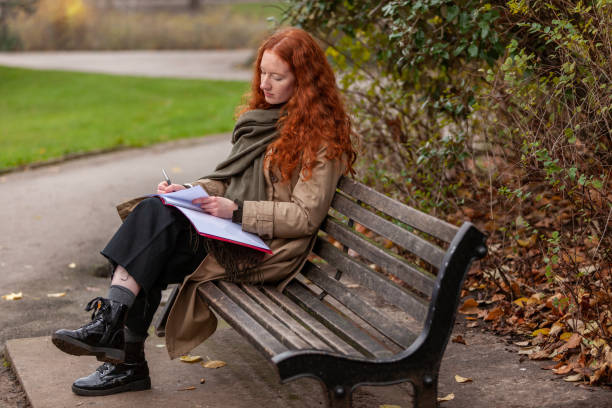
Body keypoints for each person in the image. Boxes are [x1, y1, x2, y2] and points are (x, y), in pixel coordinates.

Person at [51, 27, 356, 396]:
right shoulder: (264, 121)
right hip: (237, 234)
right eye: (262, 73)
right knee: (154, 216)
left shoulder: (322, 140)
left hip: (269, 249)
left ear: (305, 81)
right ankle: (115, 337)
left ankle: (118, 348)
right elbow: (227, 182)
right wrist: (191, 192)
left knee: (151, 242)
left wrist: (238, 212)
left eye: (277, 77)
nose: (265, 85)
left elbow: (305, 218)